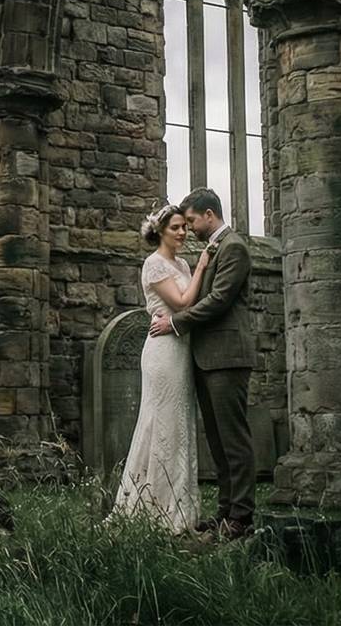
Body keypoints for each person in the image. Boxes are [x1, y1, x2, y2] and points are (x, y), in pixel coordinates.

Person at [149, 187, 259, 538]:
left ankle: (241, 516)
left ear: (209, 215)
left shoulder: (235, 248)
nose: (190, 228)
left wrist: (175, 323)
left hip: (227, 356)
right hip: (207, 358)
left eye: (192, 220)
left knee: (233, 439)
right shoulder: (214, 249)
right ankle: (226, 512)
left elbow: (219, 301)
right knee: (217, 439)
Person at [108, 203, 211, 532]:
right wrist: (203, 266)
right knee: (161, 425)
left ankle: (180, 507)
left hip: (181, 347)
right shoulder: (154, 264)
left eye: (184, 226)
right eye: (175, 228)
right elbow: (182, 303)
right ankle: (153, 509)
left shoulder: (179, 262)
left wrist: (193, 270)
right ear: (160, 231)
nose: (182, 232)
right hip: (163, 350)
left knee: (179, 424)